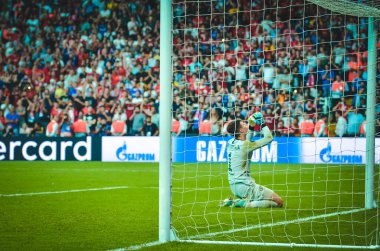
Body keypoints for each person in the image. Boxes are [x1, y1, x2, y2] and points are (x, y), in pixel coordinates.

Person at [220, 112, 283, 208]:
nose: (246, 124)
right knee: (278, 202)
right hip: (245, 186)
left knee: (264, 200)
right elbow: (268, 138)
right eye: (244, 124)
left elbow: (247, 138)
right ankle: (245, 204)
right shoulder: (245, 145)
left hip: (234, 186)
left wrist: (252, 126)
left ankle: (233, 201)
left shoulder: (231, 142)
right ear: (241, 130)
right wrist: (262, 123)